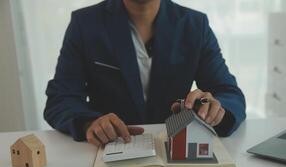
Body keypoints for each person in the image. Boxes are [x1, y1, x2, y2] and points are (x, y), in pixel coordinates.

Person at [44, 0, 246, 147]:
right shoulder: (85, 24)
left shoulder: (195, 24)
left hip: (176, 151)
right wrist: (90, 123)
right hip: (110, 149)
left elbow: (228, 93)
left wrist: (216, 111)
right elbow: (61, 98)